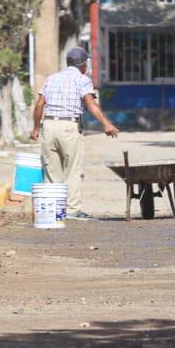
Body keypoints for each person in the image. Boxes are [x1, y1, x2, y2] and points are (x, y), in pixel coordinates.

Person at [30, 46, 119, 220]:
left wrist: (36, 128)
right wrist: (106, 124)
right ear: (83, 65)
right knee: (73, 169)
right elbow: (91, 104)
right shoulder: (82, 79)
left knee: (51, 170)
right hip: (69, 127)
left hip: (48, 126)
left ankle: (53, 211)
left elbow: (40, 104)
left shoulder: (52, 78)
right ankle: (72, 210)